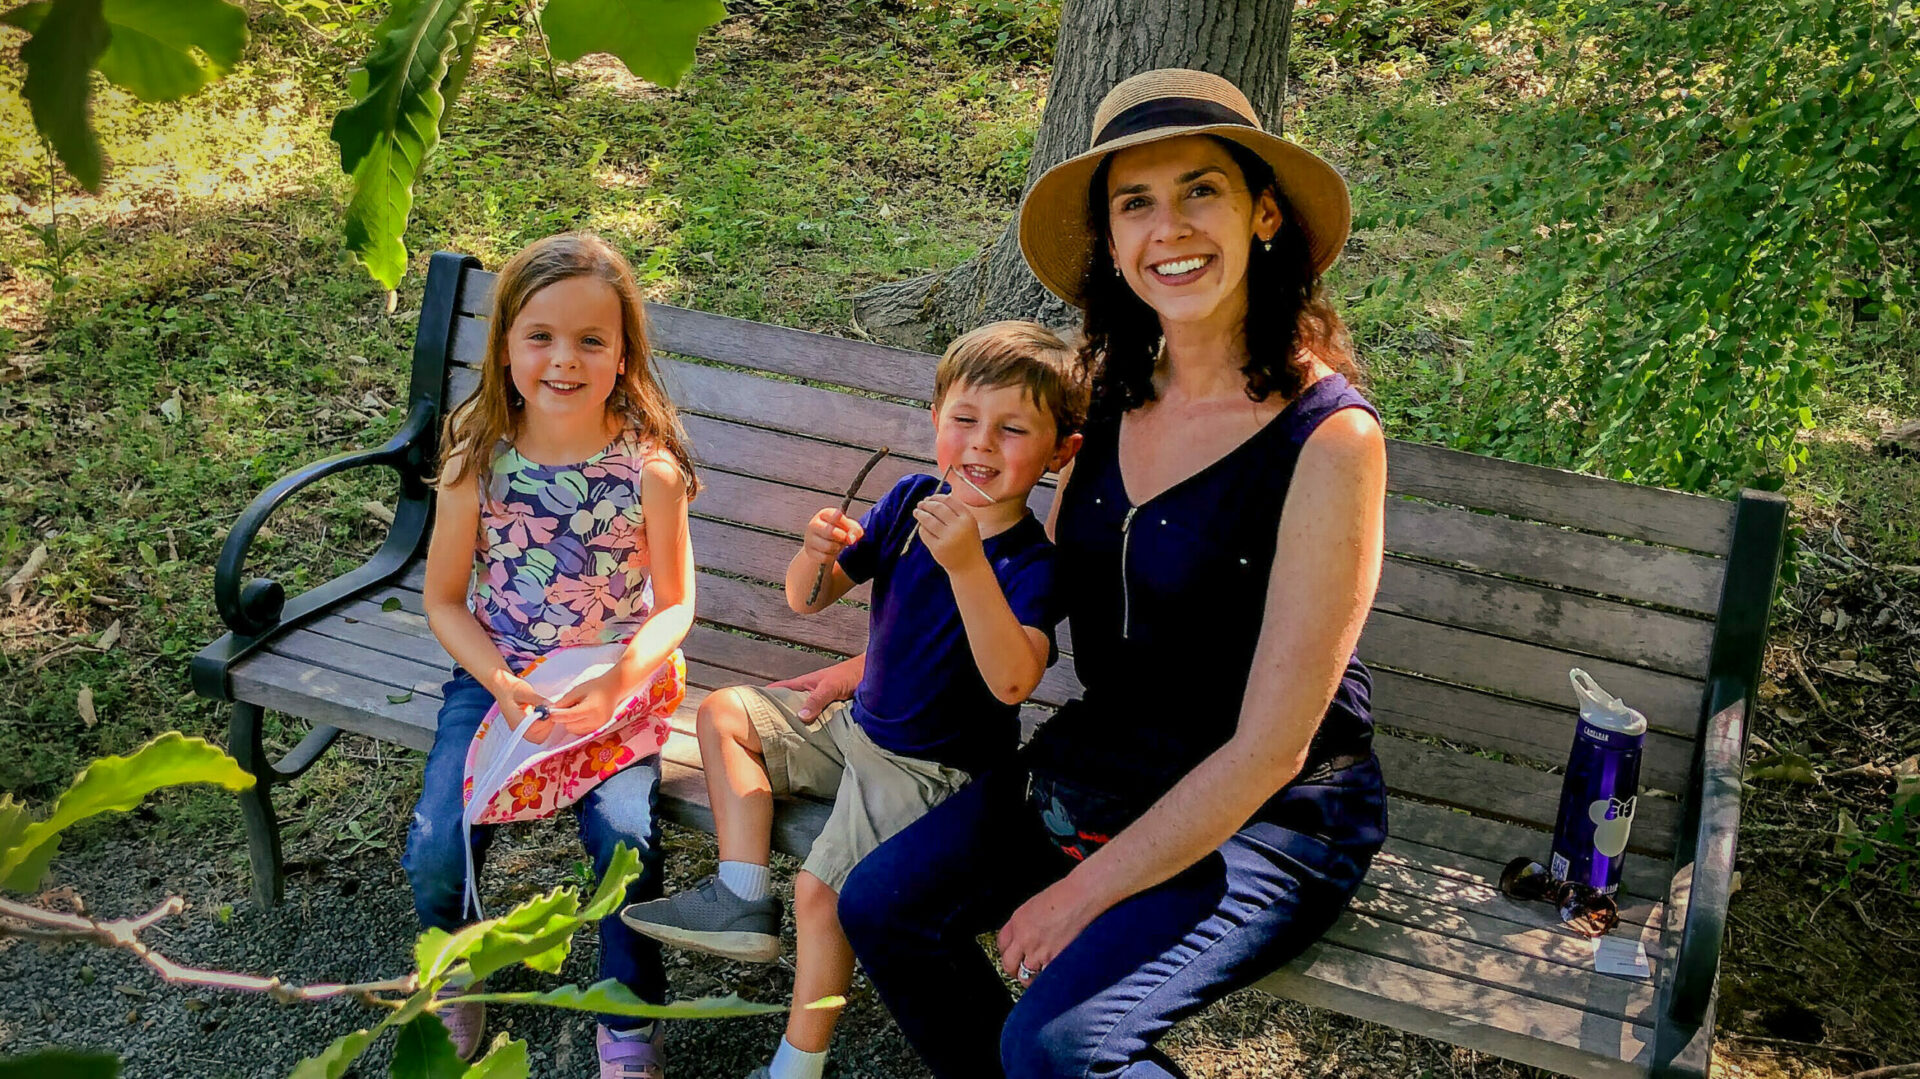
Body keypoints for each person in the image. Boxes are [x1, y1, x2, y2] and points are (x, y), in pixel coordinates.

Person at [802, 69, 1392, 1078]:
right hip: (1106, 760)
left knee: (1062, 1040)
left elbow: (1272, 748)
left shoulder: (1328, 439)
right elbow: (1016, 579)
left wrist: (1084, 891)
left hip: (1271, 811)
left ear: (1261, 214)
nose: (1170, 227)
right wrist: (866, 666)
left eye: (1200, 190)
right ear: (1113, 246)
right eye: (1136, 203)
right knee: (880, 904)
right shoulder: (1109, 402)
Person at [620, 321, 1089, 1079]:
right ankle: (740, 895)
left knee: (821, 892)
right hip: (856, 729)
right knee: (724, 713)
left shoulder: (1030, 560)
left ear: (1059, 451)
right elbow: (811, 598)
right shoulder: (909, 499)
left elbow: (1013, 681)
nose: (980, 445)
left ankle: (796, 1067)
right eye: (964, 420)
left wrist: (968, 565)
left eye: (1012, 430)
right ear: (937, 417)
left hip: (931, 769)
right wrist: (815, 555)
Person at [410, 232, 699, 1079]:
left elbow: (677, 602)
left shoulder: (650, 467)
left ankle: (628, 1012)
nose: (563, 360)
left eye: (590, 340)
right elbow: (443, 599)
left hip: (616, 681)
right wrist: (498, 681)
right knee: (437, 835)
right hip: (497, 674)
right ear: (505, 346)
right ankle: (455, 967)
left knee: (624, 836)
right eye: (540, 336)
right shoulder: (478, 454)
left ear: (623, 355)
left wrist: (614, 682)